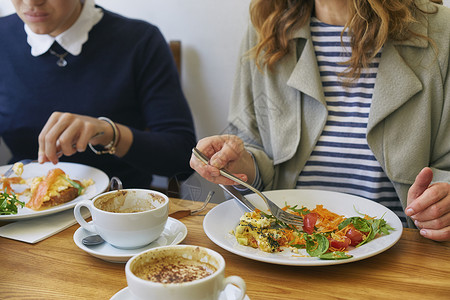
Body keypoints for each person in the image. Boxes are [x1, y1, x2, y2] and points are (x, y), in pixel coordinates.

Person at [190, 0, 450, 241]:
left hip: (406, 256)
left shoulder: (441, 32)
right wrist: (239, 166)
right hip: (288, 252)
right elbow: (251, 146)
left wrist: (442, 202)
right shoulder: (265, 27)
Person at [0, 0, 196, 188]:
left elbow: (182, 157)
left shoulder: (139, 40)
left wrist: (109, 133)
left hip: (118, 205)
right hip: (20, 205)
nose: (32, 2)